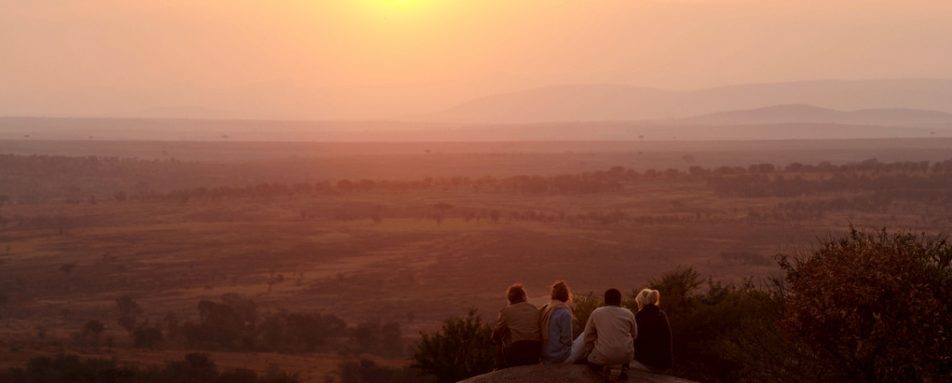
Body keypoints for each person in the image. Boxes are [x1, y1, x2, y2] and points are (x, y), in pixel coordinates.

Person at [580, 288, 638, 376]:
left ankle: (604, 369)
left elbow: (587, 335)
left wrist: (590, 349)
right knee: (622, 356)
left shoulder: (597, 312)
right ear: (619, 301)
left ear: (605, 300)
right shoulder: (629, 313)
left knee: (590, 360)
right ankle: (622, 367)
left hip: (603, 356)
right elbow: (634, 334)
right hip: (625, 357)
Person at [492, 283, 541, 368]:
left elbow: (497, 333)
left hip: (516, 353)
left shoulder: (506, 311)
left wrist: (493, 339)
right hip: (535, 352)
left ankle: (499, 367)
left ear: (509, 298)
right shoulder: (534, 308)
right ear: (523, 296)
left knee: (500, 336)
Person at [633, 288, 673, 371]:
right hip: (664, 363)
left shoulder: (640, 317)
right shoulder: (661, 314)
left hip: (648, 363)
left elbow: (635, 340)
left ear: (641, 302)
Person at [539, 280, 573, 364]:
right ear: (566, 295)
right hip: (558, 356)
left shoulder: (546, 309)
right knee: (583, 337)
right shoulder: (564, 313)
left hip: (544, 355)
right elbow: (567, 340)